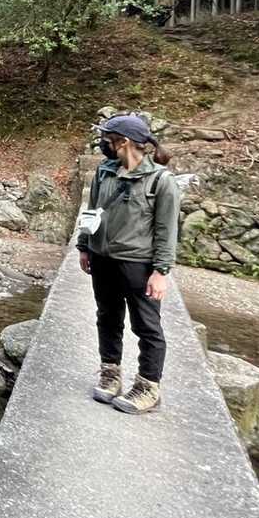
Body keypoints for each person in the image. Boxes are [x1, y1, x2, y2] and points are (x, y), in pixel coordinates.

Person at [75, 113, 180, 415]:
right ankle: (110, 373)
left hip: (138, 264)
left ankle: (148, 386)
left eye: (106, 139)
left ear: (123, 142)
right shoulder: (104, 172)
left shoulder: (160, 181)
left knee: (146, 326)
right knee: (107, 317)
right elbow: (92, 210)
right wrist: (84, 246)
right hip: (102, 258)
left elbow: (167, 230)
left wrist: (161, 271)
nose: (102, 144)